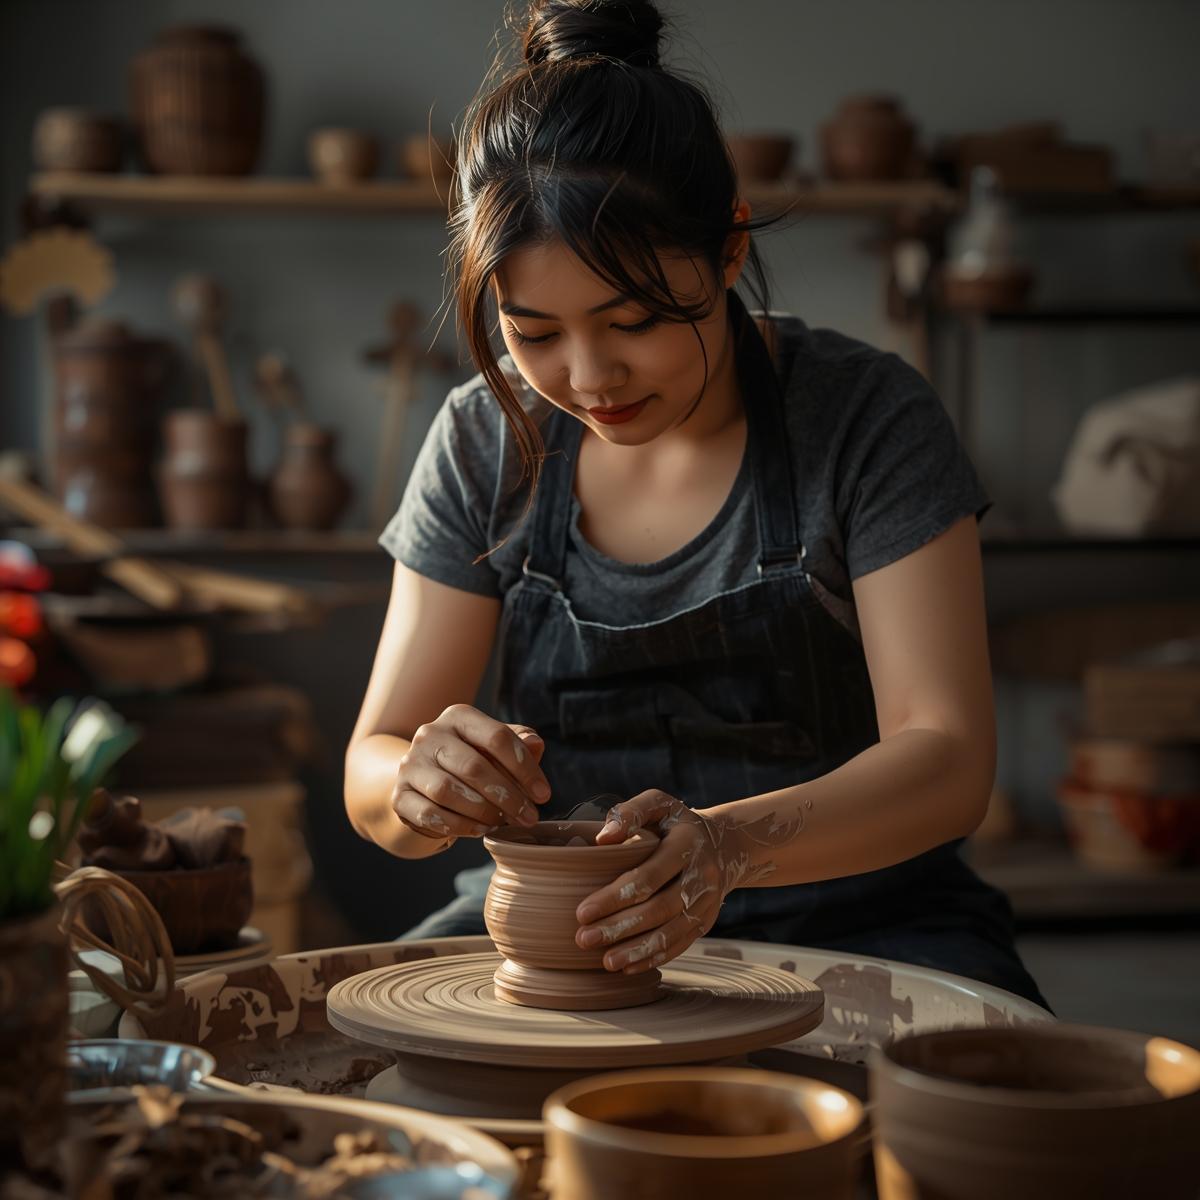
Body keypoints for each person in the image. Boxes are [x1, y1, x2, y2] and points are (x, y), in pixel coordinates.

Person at [345, 0, 1047, 1007]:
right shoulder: (483, 440)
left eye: (634, 319)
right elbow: (372, 772)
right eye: (533, 333)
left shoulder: (865, 417)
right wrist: (418, 785)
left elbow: (947, 760)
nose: (590, 377)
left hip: (869, 916)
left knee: (993, 1094)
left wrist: (724, 847)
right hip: (568, 931)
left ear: (728, 250)